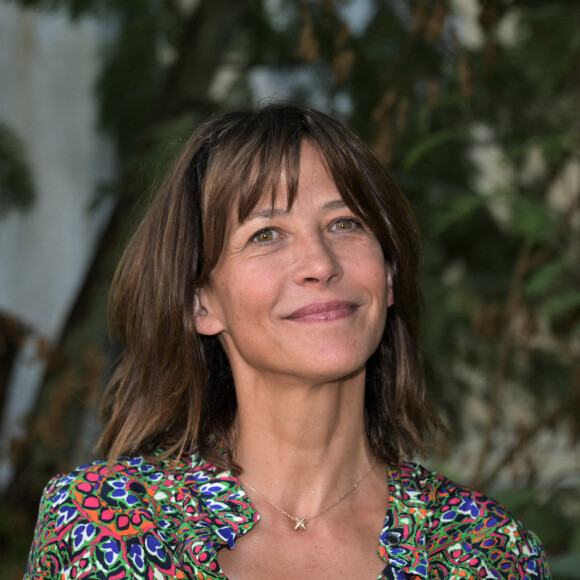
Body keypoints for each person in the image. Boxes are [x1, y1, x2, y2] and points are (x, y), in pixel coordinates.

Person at [25, 103, 550, 579]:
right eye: (266, 235)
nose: (321, 264)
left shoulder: (490, 552)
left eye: (345, 223)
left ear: (388, 277)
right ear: (199, 302)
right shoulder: (104, 528)